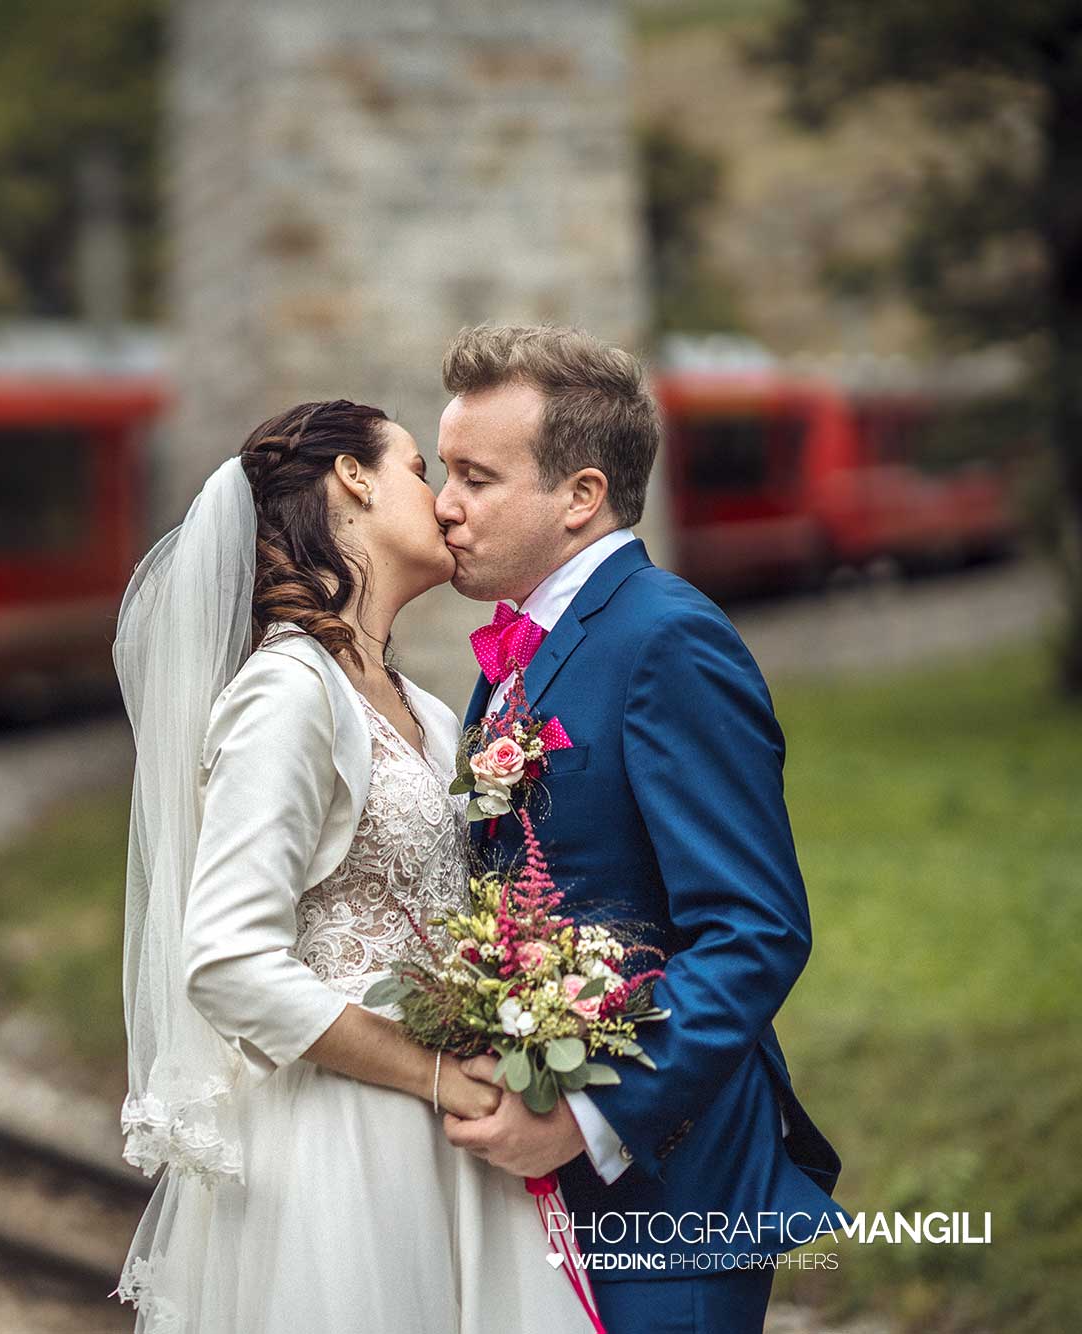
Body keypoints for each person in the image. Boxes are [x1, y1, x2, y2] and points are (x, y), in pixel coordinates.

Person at [113, 400, 595, 1332]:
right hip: (350, 1148)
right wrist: (436, 1075)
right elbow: (227, 961)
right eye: (423, 469)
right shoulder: (288, 696)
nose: (448, 503)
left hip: (453, 1134)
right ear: (354, 478)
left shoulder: (429, 710)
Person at [432, 324, 845, 1333]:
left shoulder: (667, 639)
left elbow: (753, 927)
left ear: (578, 495)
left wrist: (583, 1114)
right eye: (444, 471)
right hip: (536, 1188)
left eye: (474, 477)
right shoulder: (508, 659)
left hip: (666, 1188)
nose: (442, 504)